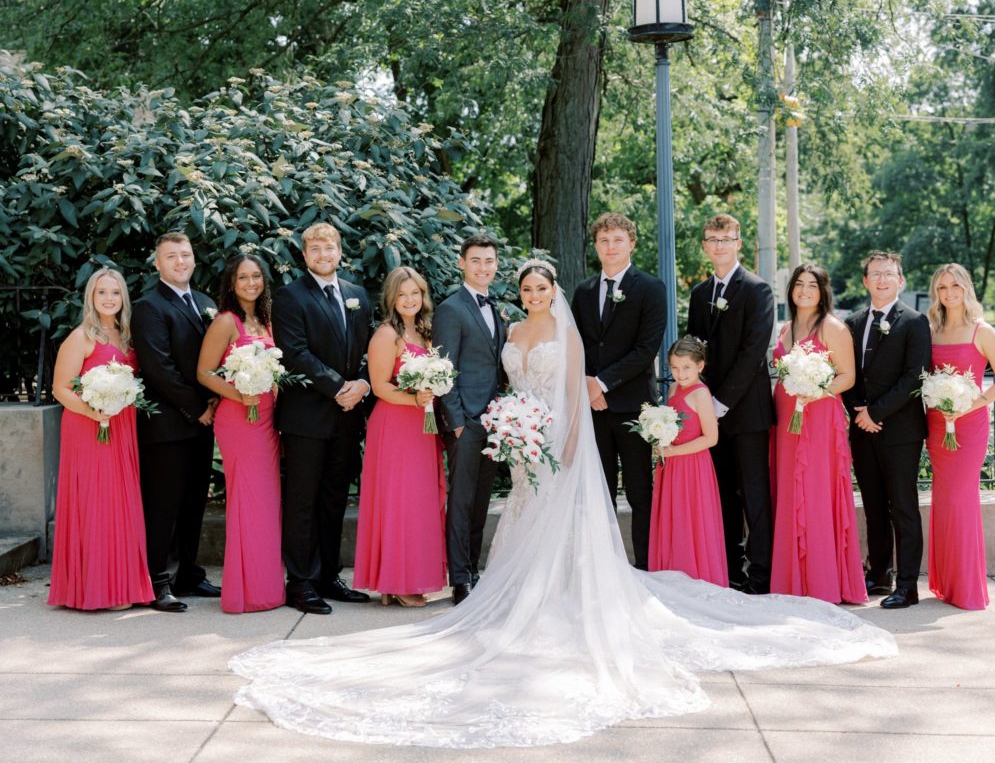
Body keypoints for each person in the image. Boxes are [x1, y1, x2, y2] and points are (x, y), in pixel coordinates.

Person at [231, 258, 897, 749]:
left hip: (559, 440)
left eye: (540, 286)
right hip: (524, 442)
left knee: (563, 520)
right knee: (525, 516)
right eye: (525, 288)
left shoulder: (566, 332)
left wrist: (570, 440)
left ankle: (566, 591)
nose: (533, 294)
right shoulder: (511, 331)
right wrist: (515, 430)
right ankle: (525, 591)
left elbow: (575, 395)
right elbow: (503, 381)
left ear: (553, 289)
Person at [272, 222, 373, 614]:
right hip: (307, 418)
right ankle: (300, 582)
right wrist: (338, 389)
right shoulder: (290, 297)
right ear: (304, 255)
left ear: (339, 251)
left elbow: (367, 352)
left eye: (328, 246)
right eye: (313, 248)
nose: (322, 253)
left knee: (334, 499)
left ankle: (329, 575)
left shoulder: (357, 295)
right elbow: (295, 352)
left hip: (348, 418)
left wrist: (362, 384)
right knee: (302, 500)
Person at [48, 268, 154, 611]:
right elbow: (60, 388)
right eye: (101, 293)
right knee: (96, 502)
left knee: (120, 503)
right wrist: (94, 413)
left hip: (121, 427)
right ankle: (92, 588)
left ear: (123, 297)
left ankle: (121, 585)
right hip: (88, 426)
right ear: (90, 298)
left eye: (115, 293)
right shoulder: (81, 337)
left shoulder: (126, 336)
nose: (109, 299)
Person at [571, 213, 667, 570]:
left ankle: (644, 567)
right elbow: (576, 344)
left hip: (634, 407)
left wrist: (602, 383)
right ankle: (604, 570)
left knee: (641, 492)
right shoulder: (582, 292)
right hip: (592, 408)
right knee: (599, 491)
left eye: (617, 240)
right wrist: (588, 386)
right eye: (604, 241)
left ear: (632, 244)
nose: (610, 247)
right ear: (596, 246)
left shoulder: (651, 288)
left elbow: (646, 349)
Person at [686, 214, 775, 594]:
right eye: (712, 238)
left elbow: (753, 351)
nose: (719, 244)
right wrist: (700, 402)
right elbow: (693, 350)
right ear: (705, 246)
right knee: (721, 494)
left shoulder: (758, 290)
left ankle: (762, 573)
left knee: (754, 495)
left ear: (739, 243)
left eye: (727, 238)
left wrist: (720, 403)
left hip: (746, 412)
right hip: (710, 414)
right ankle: (729, 569)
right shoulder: (699, 293)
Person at [132, 232, 220, 613]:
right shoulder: (149, 307)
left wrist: (218, 397)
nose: (180, 261)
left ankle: (189, 573)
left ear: (194, 259)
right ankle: (157, 581)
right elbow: (159, 369)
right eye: (171, 256)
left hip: (203, 421)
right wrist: (197, 407)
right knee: (162, 506)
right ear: (158, 264)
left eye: (185, 255)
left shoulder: (205, 303)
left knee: (193, 503)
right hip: (167, 425)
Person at [770, 264, 866, 604]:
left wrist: (816, 391)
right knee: (789, 490)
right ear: (791, 290)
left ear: (823, 291)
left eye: (813, 285)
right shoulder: (786, 328)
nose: (805, 290)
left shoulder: (833, 327)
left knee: (813, 491)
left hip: (818, 416)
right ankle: (792, 580)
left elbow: (847, 377)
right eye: (799, 284)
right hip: (786, 418)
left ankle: (821, 581)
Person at [197, 254, 286, 614]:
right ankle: (244, 591)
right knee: (248, 499)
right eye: (243, 278)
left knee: (267, 501)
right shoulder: (225, 321)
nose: (251, 283)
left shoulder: (265, 319)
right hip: (239, 418)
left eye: (256, 276)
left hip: (267, 419)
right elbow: (204, 372)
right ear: (231, 284)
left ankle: (266, 587)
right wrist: (239, 393)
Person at [353, 267, 447, 607]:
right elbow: (379, 387)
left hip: (422, 426)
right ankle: (396, 580)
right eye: (403, 294)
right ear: (392, 299)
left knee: (420, 500)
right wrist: (415, 399)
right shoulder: (386, 334)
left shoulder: (425, 331)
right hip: (394, 424)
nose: (410, 300)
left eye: (415, 293)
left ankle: (407, 577)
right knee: (399, 501)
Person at [843, 252, 931, 609]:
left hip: (900, 432)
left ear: (901, 281)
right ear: (865, 281)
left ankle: (907, 585)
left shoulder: (914, 322)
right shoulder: (851, 322)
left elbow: (914, 377)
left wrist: (875, 413)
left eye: (888, 274)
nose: (881, 280)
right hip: (862, 429)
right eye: (875, 274)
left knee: (903, 506)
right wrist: (858, 413)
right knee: (874, 505)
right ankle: (879, 574)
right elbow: (846, 374)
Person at [924, 263, 995, 610]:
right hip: (936, 424)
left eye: (955, 287)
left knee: (961, 501)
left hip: (969, 425)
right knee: (944, 502)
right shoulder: (932, 329)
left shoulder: (982, 330)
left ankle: (967, 589)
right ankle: (946, 584)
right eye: (942, 288)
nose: (949, 293)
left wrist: (969, 405)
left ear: (966, 289)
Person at [432, 235, 505, 605]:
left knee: (480, 502)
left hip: (494, 423)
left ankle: (474, 570)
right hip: (465, 423)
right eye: (475, 260)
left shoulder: (497, 308)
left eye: (489, 261)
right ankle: (459, 579)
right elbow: (444, 369)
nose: (483, 267)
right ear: (462, 263)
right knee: (461, 502)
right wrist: (457, 422)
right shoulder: (451, 309)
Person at [648, 336, 728, 586]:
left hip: (693, 468)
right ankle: (672, 574)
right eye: (674, 367)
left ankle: (695, 576)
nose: (679, 374)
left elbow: (711, 438)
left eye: (686, 367)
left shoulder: (701, 394)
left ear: (700, 366)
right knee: (673, 521)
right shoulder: (673, 389)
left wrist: (673, 452)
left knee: (691, 522)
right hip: (671, 468)